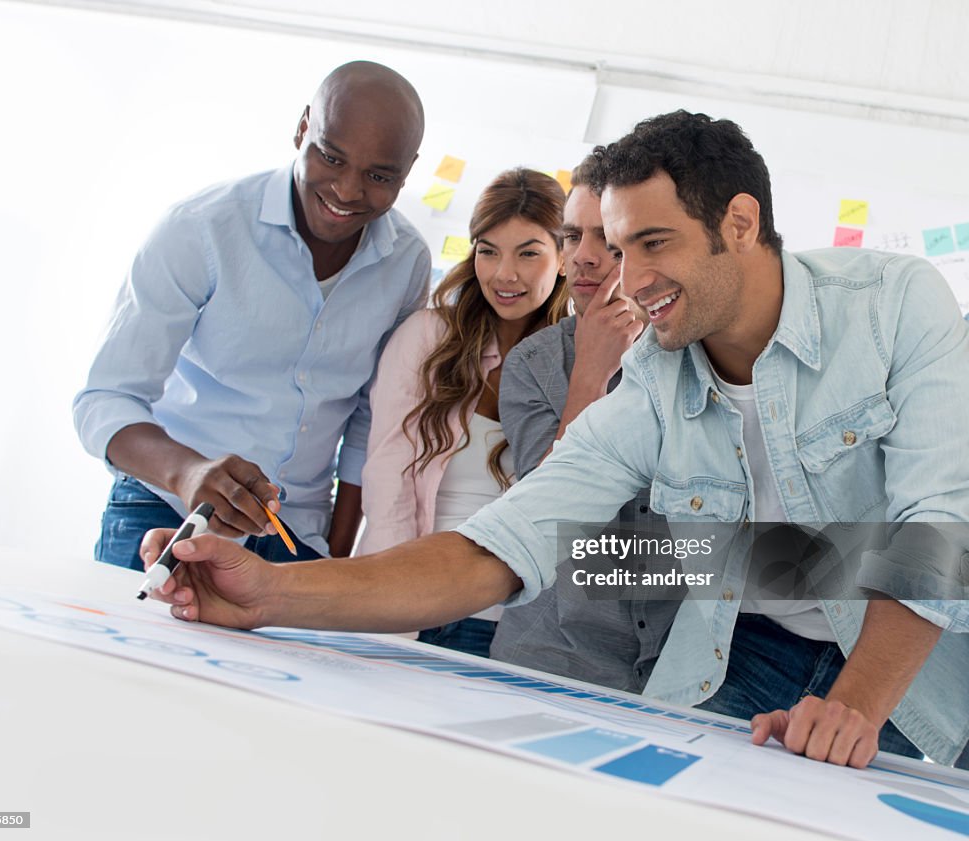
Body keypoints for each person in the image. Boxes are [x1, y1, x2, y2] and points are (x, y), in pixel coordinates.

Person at [142, 110, 969, 770]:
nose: (627, 276)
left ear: (741, 223)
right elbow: (502, 543)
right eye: (611, 246)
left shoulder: (896, 303)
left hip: (921, 669)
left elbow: (938, 525)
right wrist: (272, 593)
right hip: (736, 655)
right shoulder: (647, 375)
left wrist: (854, 694)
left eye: (654, 243)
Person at [73, 61, 429, 570]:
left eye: (379, 176)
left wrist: (339, 557)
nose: (349, 192)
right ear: (303, 127)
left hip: (297, 538)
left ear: (408, 170)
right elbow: (105, 400)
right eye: (331, 157)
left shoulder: (407, 260)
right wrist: (188, 473)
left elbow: (369, 418)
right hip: (166, 509)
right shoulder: (201, 228)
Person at [358, 168, 569, 657]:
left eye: (529, 252)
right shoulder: (429, 337)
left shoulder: (576, 362)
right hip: (409, 600)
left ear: (564, 259)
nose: (504, 274)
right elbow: (388, 476)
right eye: (488, 250)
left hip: (511, 621)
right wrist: (400, 600)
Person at [491, 158, 684, 689]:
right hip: (549, 650)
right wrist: (591, 376)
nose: (584, 257)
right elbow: (544, 522)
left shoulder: (699, 359)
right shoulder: (534, 364)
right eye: (572, 236)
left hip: (674, 667)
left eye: (609, 241)